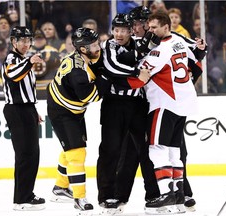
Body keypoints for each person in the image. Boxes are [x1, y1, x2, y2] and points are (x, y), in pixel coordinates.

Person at [137, 11, 200, 214]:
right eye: (150, 27)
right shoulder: (179, 42)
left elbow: (141, 74)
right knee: (174, 150)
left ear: (166, 26)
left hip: (164, 103)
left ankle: (166, 193)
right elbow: (197, 58)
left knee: (156, 149)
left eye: (155, 27)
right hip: (183, 103)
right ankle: (179, 192)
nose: (151, 31)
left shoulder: (159, 51)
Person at [46, 27, 111, 213]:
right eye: (93, 45)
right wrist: (106, 79)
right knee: (77, 153)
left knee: (70, 149)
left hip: (72, 109)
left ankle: (60, 187)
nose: (97, 47)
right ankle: (79, 198)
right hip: (62, 111)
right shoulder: (77, 72)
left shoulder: (85, 56)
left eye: (97, 42)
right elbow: (90, 97)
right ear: (82, 49)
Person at [96, 13, 151, 215]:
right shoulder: (108, 46)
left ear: (131, 30)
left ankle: (153, 195)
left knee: (147, 150)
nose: (118, 34)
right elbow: (111, 68)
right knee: (110, 151)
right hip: (113, 104)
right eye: (116, 30)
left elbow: (147, 65)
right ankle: (106, 196)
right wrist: (135, 71)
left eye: (123, 30)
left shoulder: (139, 43)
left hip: (137, 104)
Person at [2, 26, 45, 211]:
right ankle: (21, 199)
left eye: (29, 41)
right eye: (23, 41)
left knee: (32, 154)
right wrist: (29, 62)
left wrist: (33, 109)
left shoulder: (21, 59)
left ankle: (26, 194)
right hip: (16, 110)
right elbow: (13, 75)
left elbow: (26, 89)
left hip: (25, 109)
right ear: (14, 42)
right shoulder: (12, 58)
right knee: (25, 155)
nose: (27, 44)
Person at [27, 28, 61, 99]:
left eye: (41, 38)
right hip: (30, 89)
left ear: (45, 39)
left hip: (49, 87)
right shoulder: (26, 52)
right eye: (36, 39)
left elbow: (59, 68)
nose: (38, 41)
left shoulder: (53, 51)